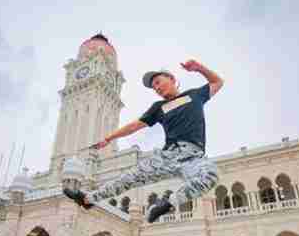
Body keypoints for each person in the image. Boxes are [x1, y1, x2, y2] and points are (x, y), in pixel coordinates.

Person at [64, 59, 224, 223]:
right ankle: (88, 199)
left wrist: (199, 68)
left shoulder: (194, 95)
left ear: (171, 78)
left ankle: (168, 204)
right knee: (130, 177)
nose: (157, 88)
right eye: (154, 87)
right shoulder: (159, 107)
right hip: (168, 156)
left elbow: (218, 82)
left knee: (211, 175)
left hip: (193, 157)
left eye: (158, 82)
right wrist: (109, 138)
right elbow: (134, 126)